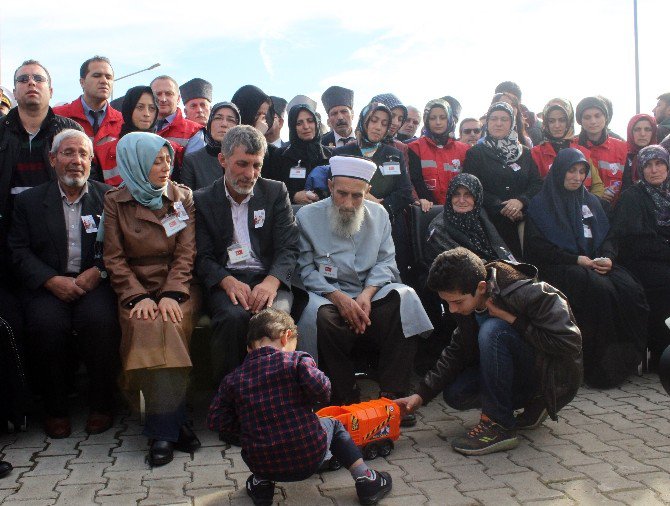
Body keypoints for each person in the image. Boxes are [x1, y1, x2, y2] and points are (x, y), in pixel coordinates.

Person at [395, 247, 582, 456]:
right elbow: (458, 350)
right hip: (521, 371)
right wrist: (421, 396)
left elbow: (570, 343)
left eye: (457, 302)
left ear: (481, 287)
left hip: (553, 378)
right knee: (456, 394)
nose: (452, 309)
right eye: (446, 303)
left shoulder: (526, 291)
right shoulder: (469, 299)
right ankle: (534, 402)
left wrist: (513, 320)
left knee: (493, 331)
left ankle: (499, 425)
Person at [295, 156, 433, 422]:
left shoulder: (379, 214)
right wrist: (339, 298)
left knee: (405, 300)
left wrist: (366, 295)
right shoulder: (307, 216)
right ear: (330, 185)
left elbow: (386, 261)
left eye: (357, 196)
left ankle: (393, 398)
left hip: (369, 291)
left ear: (367, 192)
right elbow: (305, 269)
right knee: (322, 319)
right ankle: (344, 398)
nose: (348, 203)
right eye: (341, 194)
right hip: (326, 293)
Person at [208, 308, 392, 506]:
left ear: (249, 349)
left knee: (258, 441)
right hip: (309, 456)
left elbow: (216, 420)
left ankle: (261, 487)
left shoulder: (233, 378)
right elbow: (323, 391)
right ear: (286, 337)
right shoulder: (296, 362)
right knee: (334, 425)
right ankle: (366, 480)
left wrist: (248, 429)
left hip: (262, 462)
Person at [8, 129, 119, 438]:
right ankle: (55, 409)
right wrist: (49, 279)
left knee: (100, 322)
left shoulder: (109, 198)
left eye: (83, 154)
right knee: (45, 326)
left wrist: (99, 272)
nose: (76, 161)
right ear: (53, 159)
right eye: (69, 153)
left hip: (94, 282)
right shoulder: (30, 201)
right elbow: (17, 249)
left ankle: (102, 405)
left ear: (92, 160)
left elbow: (120, 245)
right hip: (48, 285)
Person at [102, 132, 201, 466]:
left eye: (168, 159)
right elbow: (114, 258)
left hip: (178, 283)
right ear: (137, 163)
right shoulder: (116, 201)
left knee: (171, 323)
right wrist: (137, 295)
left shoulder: (181, 197)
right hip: (135, 285)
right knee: (146, 326)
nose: (165, 167)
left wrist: (173, 292)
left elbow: (186, 252)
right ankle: (175, 425)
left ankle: (162, 431)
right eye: (156, 161)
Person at [524, 148, 648, 388]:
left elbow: (609, 236)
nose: (577, 177)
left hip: (595, 262)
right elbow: (538, 248)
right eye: (572, 171)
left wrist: (608, 258)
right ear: (560, 171)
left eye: (582, 172)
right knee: (600, 291)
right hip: (560, 266)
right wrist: (575, 259)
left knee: (631, 290)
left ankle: (627, 360)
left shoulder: (591, 201)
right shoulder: (542, 204)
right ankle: (599, 368)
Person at [194, 125, 299, 384]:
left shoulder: (275, 192)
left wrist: (271, 282)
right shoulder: (203, 199)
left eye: (257, 165)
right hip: (226, 279)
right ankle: (231, 398)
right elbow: (202, 256)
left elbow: (289, 247)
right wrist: (225, 280)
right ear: (223, 159)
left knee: (274, 322)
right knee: (233, 319)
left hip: (269, 277)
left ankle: (277, 398)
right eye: (242, 164)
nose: (250, 174)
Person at [333, 102, 414, 279]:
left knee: (389, 275)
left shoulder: (394, 154)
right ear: (364, 121)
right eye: (374, 121)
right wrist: (362, 197)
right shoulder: (342, 152)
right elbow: (332, 187)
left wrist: (380, 206)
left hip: (389, 222)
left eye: (384, 124)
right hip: (352, 223)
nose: (378, 127)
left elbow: (405, 191)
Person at [611, 145, 670, 368]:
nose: (654, 170)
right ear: (640, 170)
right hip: (640, 264)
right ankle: (661, 352)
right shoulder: (632, 198)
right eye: (648, 165)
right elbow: (635, 243)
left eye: (660, 164)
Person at [463, 102, 542, 259]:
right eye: (493, 119)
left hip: (522, 220)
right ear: (487, 122)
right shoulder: (476, 153)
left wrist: (520, 201)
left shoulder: (524, 153)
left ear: (512, 122)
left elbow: (537, 184)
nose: (498, 123)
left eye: (504, 119)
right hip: (490, 222)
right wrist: (502, 206)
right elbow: (472, 186)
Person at [96, 85, 185, 186]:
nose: (146, 114)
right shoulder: (104, 152)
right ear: (129, 109)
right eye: (140, 107)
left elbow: (175, 191)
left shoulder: (171, 149)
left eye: (152, 108)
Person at [425, 173, 514, 267]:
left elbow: (499, 249)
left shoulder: (480, 217)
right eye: (456, 195)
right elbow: (459, 264)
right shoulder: (438, 227)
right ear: (450, 197)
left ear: (477, 198)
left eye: (468, 195)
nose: (461, 200)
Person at [53, 56, 122, 178]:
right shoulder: (57, 116)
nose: (104, 81)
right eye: (97, 76)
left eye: (108, 77)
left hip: (108, 194)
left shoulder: (122, 121)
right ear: (82, 82)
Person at [531, 98, 603, 196]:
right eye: (551, 121)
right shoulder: (536, 153)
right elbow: (532, 187)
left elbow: (597, 185)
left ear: (569, 121)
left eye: (562, 120)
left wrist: (588, 206)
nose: (557, 125)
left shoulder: (582, 152)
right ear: (546, 123)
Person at [408, 98, 470, 210]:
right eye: (432, 118)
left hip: (458, 208)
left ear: (450, 119)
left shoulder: (464, 149)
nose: (438, 122)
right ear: (426, 120)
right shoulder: (415, 147)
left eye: (443, 117)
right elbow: (416, 180)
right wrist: (427, 202)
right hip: (428, 209)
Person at [272, 103, 332, 204]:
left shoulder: (330, 155)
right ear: (292, 127)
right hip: (291, 215)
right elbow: (272, 191)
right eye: (299, 123)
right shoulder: (280, 156)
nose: (306, 126)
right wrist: (293, 196)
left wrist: (321, 195)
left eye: (310, 121)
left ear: (316, 123)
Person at [575, 96, 628, 203]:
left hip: (615, 212)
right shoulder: (572, 147)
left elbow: (628, 185)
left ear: (606, 117)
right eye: (587, 117)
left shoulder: (623, 148)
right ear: (580, 120)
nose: (593, 121)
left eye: (597, 116)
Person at [181, 102, 240, 191]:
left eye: (230, 120)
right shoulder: (192, 161)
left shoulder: (246, 159)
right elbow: (186, 200)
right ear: (209, 123)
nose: (224, 124)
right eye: (218, 118)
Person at [230, 84, 278, 178]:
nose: (261, 120)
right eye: (257, 114)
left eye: (264, 115)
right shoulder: (224, 144)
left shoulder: (273, 152)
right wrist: (256, 135)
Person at [150, 75, 203, 154]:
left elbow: (194, 165)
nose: (163, 99)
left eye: (169, 94)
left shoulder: (194, 131)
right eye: (158, 94)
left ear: (178, 99)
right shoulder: (137, 125)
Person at [622, 114, 658, 192]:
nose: (642, 134)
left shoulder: (661, 157)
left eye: (647, 129)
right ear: (630, 132)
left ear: (654, 132)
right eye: (637, 129)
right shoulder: (622, 156)